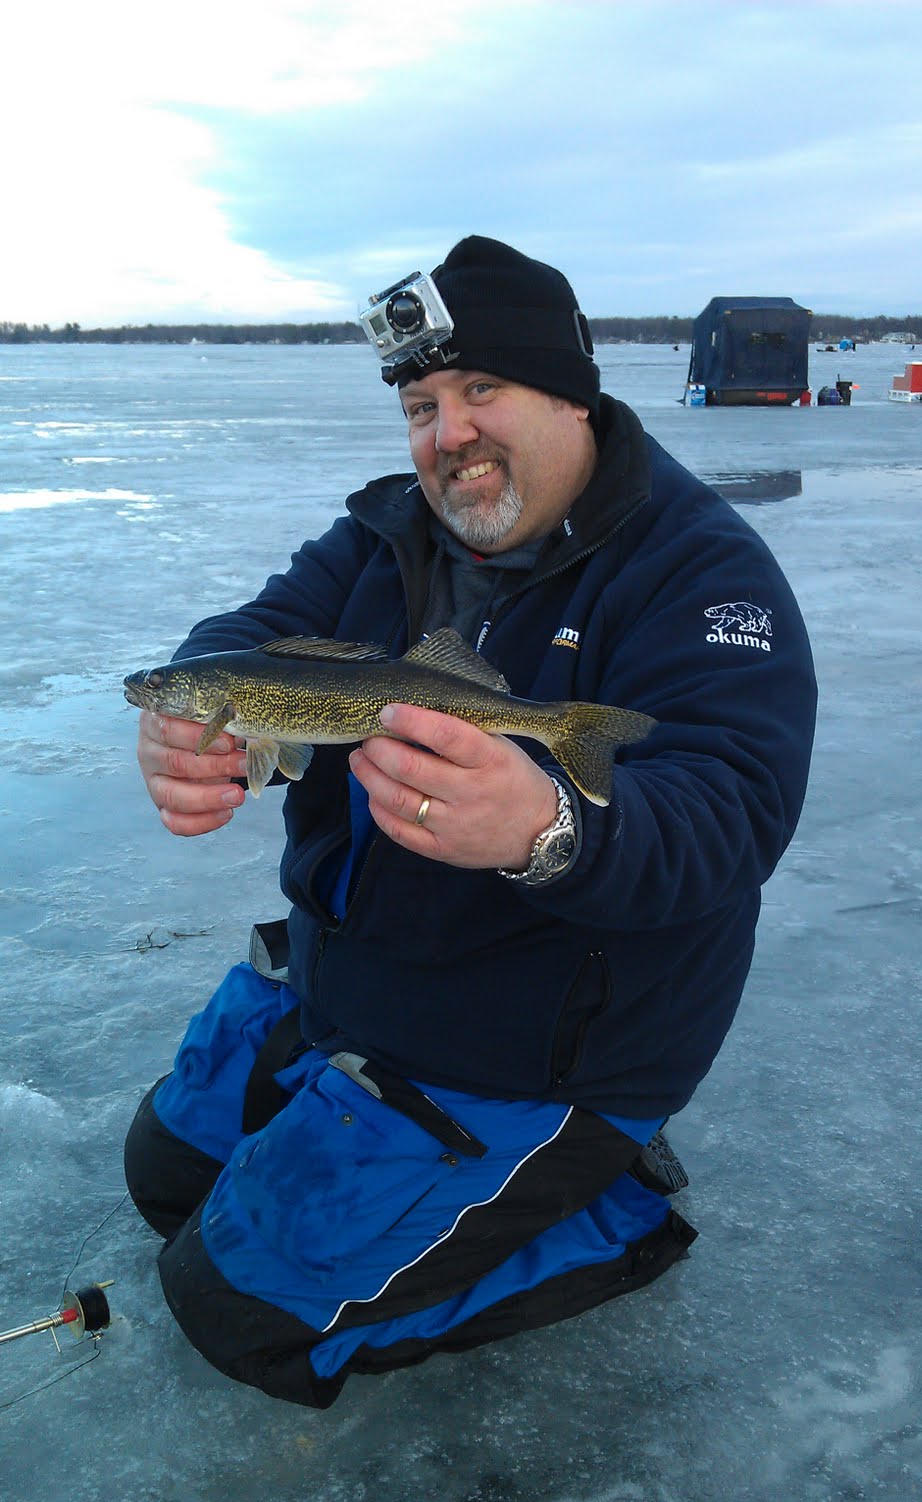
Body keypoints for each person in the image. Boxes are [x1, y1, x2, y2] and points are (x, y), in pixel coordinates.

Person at [124, 236, 817, 1409]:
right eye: (423, 404)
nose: (448, 435)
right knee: (165, 1175)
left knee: (233, 1312)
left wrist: (550, 825)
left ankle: (605, 1208)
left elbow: (730, 811)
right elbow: (255, 630)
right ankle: (388, 1126)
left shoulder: (702, 575)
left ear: (572, 393)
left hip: (537, 1049)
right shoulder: (389, 535)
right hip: (356, 980)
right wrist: (197, 716)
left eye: (482, 390)